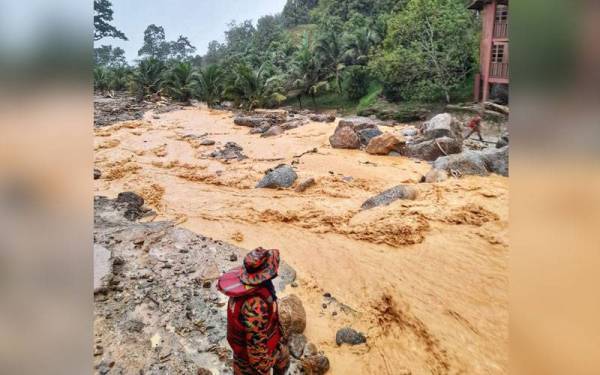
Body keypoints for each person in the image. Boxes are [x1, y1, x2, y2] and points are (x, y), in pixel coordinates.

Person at [217, 248, 290, 375]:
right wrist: (265, 368)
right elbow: (256, 352)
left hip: (250, 350)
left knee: (284, 359)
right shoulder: (255, 305)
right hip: (250, 361)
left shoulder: (246, 289)